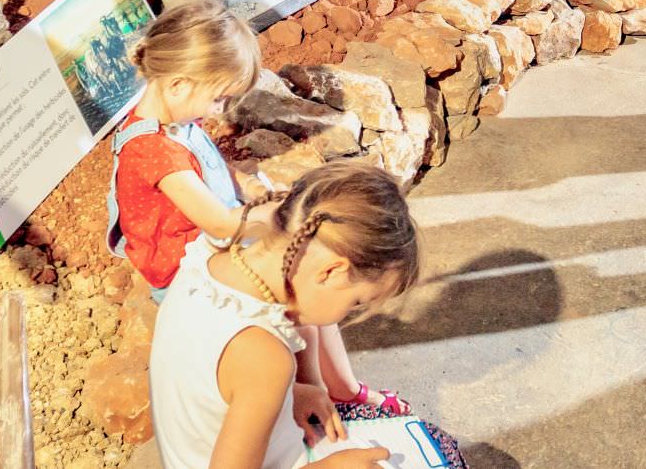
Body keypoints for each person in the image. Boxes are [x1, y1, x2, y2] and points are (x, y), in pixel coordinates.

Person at [108, 3, 406, 414]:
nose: (219, 111)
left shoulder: (175, 123)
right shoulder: (151, 150)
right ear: (179, 85)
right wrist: (275, 216)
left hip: (211, 241)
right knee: (298, 293)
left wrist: (250, 185)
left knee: (304, 276)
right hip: (186, 266)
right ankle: (322, 394)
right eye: (218, 98)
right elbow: (219, 221)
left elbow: (213, 169)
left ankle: (338, 389)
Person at [147, 162, 465, 469]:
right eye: (356, 302)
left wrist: (293, 393)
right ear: (332, 271)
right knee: (440, 449)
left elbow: (210, 384)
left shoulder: (206, 259)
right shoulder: (265, 359)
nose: (346, 314)